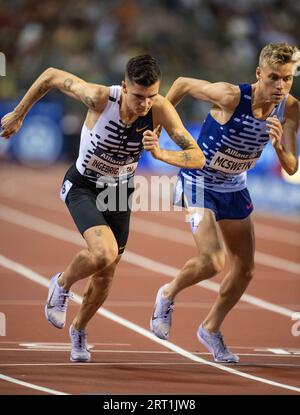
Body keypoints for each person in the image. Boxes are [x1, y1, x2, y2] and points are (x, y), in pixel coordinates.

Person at [1, 54, 205, 362]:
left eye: (151, 96)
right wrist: (18, 114)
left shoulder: (160, 109)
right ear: (124, 87)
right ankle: (61, 283)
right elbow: (51, 74)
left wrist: (163, 155)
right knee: (103, 252)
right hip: (83, 185)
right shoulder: (98, 98)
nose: (145, 105)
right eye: (138, 97)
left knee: (106, 275)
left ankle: (79, 329)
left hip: (119, 191)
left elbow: (196, 155)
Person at [150, 43, 300, 363]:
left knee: (245, 270)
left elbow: (291, 167)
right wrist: (159, 125)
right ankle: (167, 293)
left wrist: (277, 146)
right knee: (212, 261)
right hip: (199, 180)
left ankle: (210, 328)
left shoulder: (290, 108)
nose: (280, 86)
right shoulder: (231, 96)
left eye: (287, 79)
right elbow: (181, 85)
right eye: (273, 78)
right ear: (259, 74)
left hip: (234, 186)